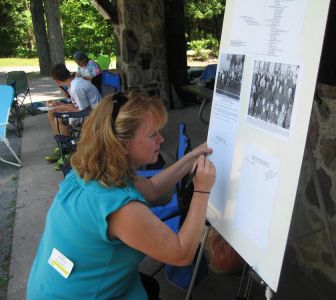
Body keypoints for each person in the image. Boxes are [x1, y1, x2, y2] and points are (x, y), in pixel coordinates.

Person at [27, 92, 216, 300]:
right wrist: (202, 191)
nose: (161, 139)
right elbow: (181, 254)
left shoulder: (92, 169)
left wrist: (191, 158)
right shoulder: (120, 208)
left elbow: (152, 188)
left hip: (52, 285)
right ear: (123, 144)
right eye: (153, 134)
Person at [47, 63, 101, 137]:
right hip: (90, 110)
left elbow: (83, 110)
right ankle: (62, 141)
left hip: (93, 114)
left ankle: (66, 143)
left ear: (57, 82)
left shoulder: (76, 88)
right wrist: (61, 104)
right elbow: (77, 105)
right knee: (52, 111)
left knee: (59, 119)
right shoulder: (75, 82)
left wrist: (63, 107)